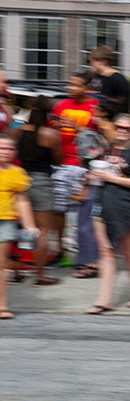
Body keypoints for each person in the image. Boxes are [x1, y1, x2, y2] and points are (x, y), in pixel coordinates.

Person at [85, 114, 130, 314]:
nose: (122, 130)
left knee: (128, 252)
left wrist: (110, 177)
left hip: (125, 206)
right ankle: (104, 300)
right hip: (102, 203)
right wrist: (92, 176)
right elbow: (96, 172)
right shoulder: (106, 148)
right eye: (118, 127)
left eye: (126, 128)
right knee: (105, 252)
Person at [50, 71, 99, 273]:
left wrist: (76, 128)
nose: (71, 88)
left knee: (84, 216)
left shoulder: (94, 106)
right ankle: (61, 251)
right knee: (59, 210)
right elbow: (51, 128)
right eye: (69, 84)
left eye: (76, 85)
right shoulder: (61, 105)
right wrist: (55, 125)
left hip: (83, 166)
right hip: (61, 164)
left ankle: (86, 258)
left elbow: (99, 138)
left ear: (86, 88)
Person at [10, 97, 61, 285]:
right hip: (41, 182)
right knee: (43, 231)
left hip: (19, 179)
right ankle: (40, 275)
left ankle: (15, 272)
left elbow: (10, 152)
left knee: (16, 228)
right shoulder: (51, 134)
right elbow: (57, 160)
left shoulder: (17, 131)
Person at [0, 135, 38, 319]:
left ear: (14, 152)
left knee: (0, 265)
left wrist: (30, 225)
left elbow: (22, 200)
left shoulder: (17, 173)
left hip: (5, 221)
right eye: (1, 148)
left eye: (8, 149)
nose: (4, 152)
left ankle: (2, 305)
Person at [86, 46, 130, 119]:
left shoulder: (118, 79)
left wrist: (103, 99)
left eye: (93, 61)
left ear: (103, 61)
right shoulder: (96, 77)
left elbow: (122, 103)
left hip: (111, 121)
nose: (91, 64)